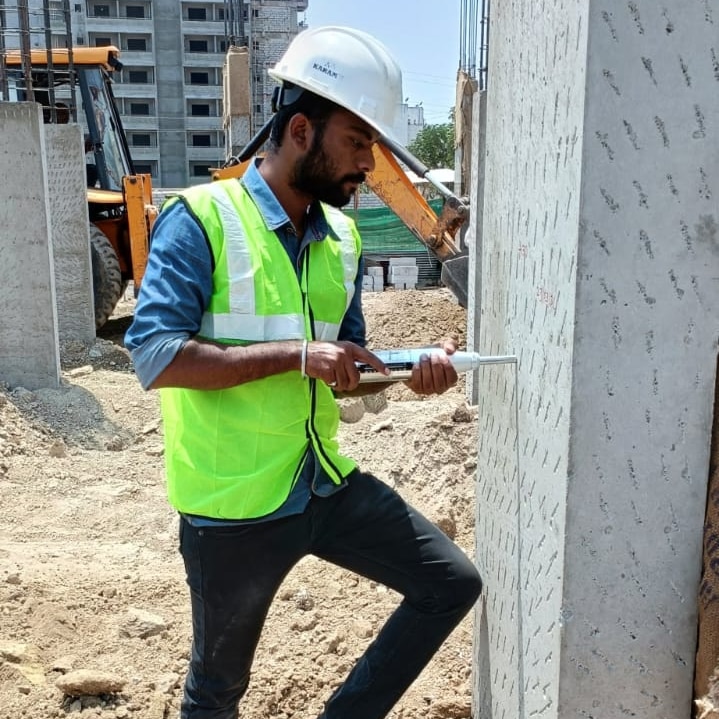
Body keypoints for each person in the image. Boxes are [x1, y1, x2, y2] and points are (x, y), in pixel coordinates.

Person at [124, 25, 482, 719]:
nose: (368, 163)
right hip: (233, 508)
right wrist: (295, 355)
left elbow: (346, 364)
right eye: (357, 142)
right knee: (217, 692)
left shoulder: (341, 237)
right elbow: (155, 356)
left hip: (322, 481)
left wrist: (409, 370)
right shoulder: (199, 219)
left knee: (450, 582)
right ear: (299, 132)